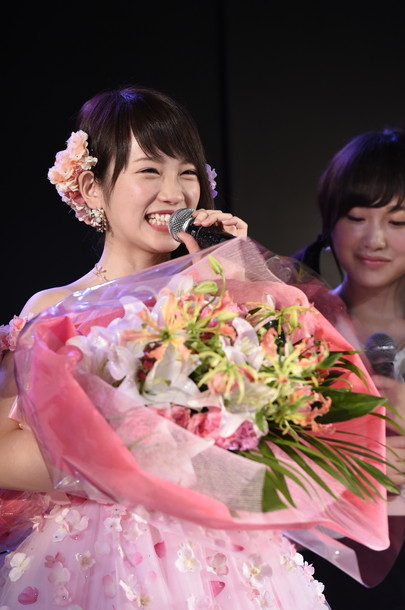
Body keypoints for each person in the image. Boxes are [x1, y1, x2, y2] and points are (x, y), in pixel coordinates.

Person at [0, 85, 330, 609]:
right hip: (99, 557)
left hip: (224, 557)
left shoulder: (226, 290)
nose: (174, 193)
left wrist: (242, 276)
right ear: (90, 187)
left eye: (188, 172)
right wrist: (133, 451)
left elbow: (291, 432)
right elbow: (3, 453)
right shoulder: (55, 309)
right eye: (150, 170)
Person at [293, 128, 405, 609]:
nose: (374, 239)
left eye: (398, 221)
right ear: (329, 220)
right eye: (357, 217)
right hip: (320, 554)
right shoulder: (295, 318)